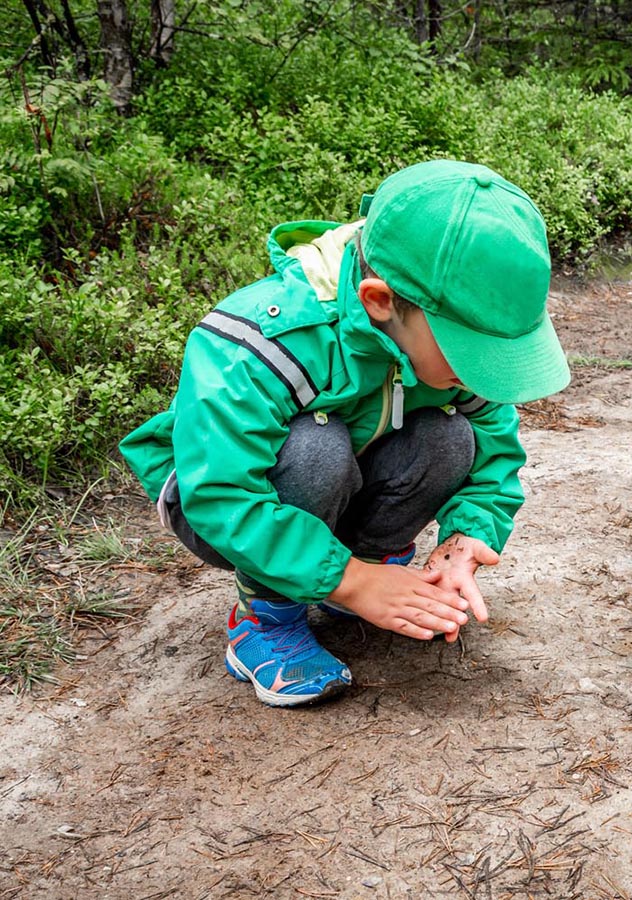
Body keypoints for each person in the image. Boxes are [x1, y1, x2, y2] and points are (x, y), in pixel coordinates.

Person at [120, 160, 570, 707]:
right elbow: (221, 495)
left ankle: (359, 570)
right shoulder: (260, 341)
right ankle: (264, 617)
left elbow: (494, 455)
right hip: (218, 503)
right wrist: (352, 582)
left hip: (342, 482)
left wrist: (468, 536)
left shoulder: (443, 348)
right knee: (316, 448)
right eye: (471, 351)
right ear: (380, 301)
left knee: (449, 438)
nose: (483, 373)